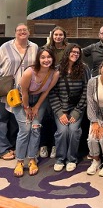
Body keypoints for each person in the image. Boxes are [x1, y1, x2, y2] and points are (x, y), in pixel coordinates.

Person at [13, 48, 59, 177]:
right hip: (22, 100)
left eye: (49, 57)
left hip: (39, 99)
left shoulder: (54, 73)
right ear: (38, 59)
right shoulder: (29, 72)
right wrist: (27, 108)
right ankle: (20, 161)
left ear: (53, 59)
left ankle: (32, 158)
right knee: (25, 129)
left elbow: (46, 91)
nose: (46, 60)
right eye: (43, 57)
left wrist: (37, 106)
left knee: (35, 128)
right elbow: (24, 92)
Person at [49, 43, 90, 172]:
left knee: (73, 130)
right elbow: (52, 92)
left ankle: (72, 159)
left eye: (77, 52)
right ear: (67, 52)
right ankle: (60, 159)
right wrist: (60, 113)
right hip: (60, 108)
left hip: (76, 107)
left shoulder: (84, 68)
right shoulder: (57, 69)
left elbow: (86, 90)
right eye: (72, 52)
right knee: (62, 131)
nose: (75, 54)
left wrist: (77, 112)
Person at [0, 23, 38, 161]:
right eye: (19, 30)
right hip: (7, 90)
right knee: (2, 119)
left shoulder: (34, 47)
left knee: (18, 121)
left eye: (25, 30)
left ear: (29, 32)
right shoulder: (5, 47)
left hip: (25, 92)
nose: (22, 32)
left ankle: (16, 146)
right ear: (15, 32)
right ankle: (3, 149)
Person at [39, 26, 70, 159]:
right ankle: (44, 144)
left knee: (57, 116)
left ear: (64, 36)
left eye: (60, 35)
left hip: (62, 86)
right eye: (56, 35)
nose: (58, 37)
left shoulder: (68, 49)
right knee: (45, 116)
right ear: (52, 36)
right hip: (46, 85)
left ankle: (55, 145)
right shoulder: (46, 49)